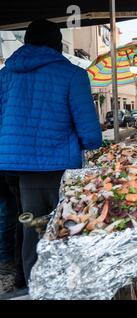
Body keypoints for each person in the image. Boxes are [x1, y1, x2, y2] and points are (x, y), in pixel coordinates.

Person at [0, 19, 102, 284]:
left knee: (29, 224)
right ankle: (60, 284)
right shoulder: (72, 75)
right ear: (57, 44)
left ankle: (30, 280)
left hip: (12, 167)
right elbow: (90, 136)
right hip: (54, 166)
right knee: (62, 225)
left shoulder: (6, 74)